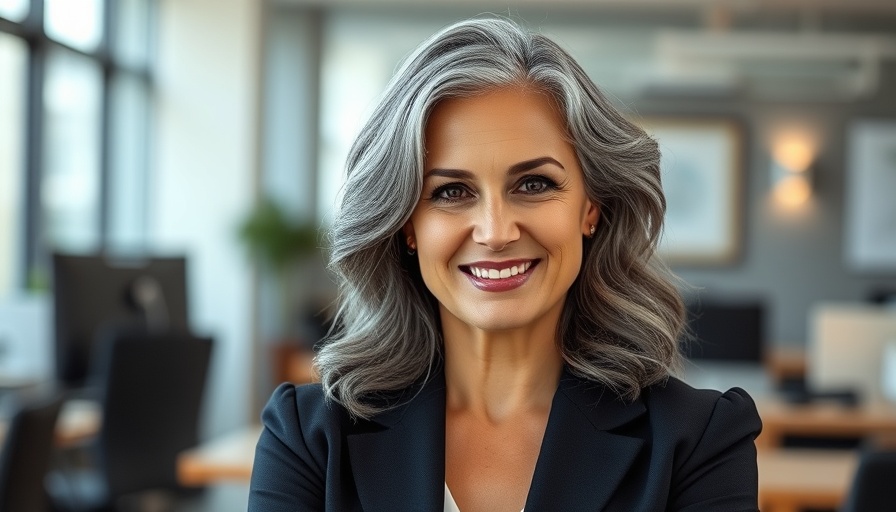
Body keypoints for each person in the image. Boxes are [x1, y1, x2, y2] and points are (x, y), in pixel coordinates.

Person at [249, 17, 761, 512]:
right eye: (451, 191)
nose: (495, 232)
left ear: (591, 207)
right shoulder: (308, 438)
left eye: (534, 184)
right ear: (407, 223)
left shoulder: (699, 442)